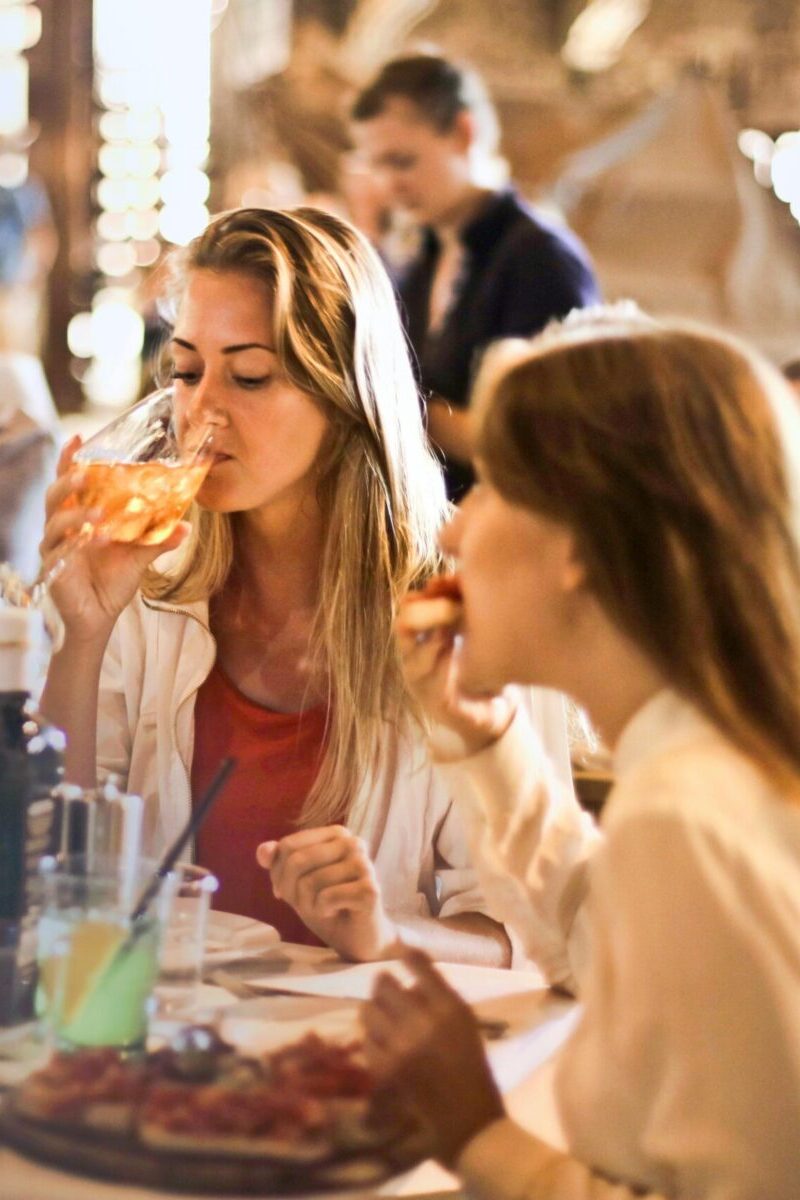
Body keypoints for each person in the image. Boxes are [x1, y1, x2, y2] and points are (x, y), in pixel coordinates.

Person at [39, 205, 572, 964]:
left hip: (366, 1060)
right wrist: (82, 639)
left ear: (345, 395)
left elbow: (536, 929)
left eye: (249, 375)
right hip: (167, 1048)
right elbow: (52, 869)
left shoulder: (469, 615)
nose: (201, 411)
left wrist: (387, 934)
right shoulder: (150, 586)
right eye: (187, 370)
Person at [362, 306, 800, 1197]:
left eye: (487, 488)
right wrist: (485, 742)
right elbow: (601, 943)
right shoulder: (702, 766)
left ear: (578, 545)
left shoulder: (690, 814)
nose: (453, 533)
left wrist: (475, 1134)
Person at [351, 51, 600, 501]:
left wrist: (397, 407)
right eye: (376, 166)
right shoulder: (424, 256)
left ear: (464, 133)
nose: (388, 185)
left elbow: (557, 442)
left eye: (402, 161)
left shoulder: (541, 259)